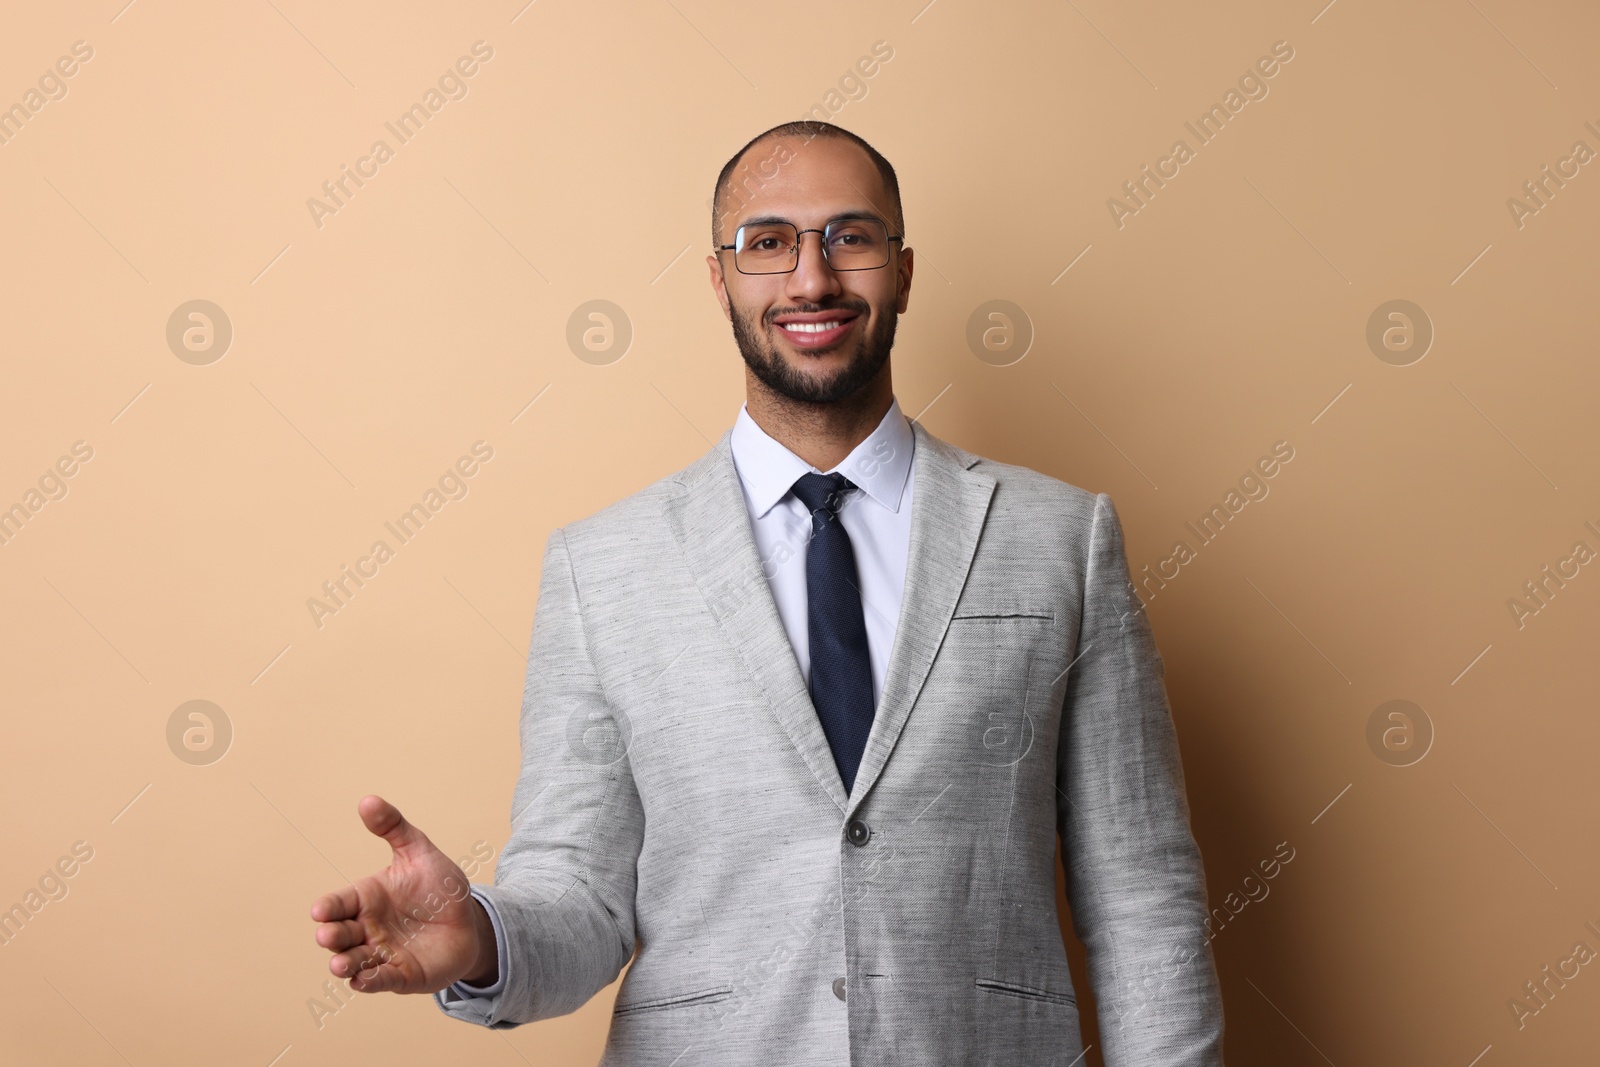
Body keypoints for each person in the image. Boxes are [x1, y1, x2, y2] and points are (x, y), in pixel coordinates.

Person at [309, 119, 1226, 1066]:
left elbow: (1140, 890)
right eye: (768, 242)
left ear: (903, 271)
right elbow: (581, 891)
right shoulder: (602, 566)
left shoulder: (1061, 538)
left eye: (851, 237)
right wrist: (484, 941)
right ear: (719, 280)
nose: (812, 279)